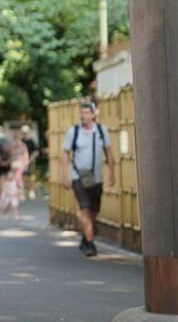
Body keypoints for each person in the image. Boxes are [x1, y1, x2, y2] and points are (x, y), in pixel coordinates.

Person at [61, 102, 115, 257]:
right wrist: (65, 175)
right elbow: (65, 153)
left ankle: (86, 237)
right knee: (85, 209)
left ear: (93, 115)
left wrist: (112, 172)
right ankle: (90, 244)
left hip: (95, 177)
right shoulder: (74, 131)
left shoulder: (101, 131)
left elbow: (109, 152)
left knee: (94, 211)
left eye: (86, 113)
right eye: (81, 113)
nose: (83, 116)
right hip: (79, 175)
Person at [19, 125, 39, 199]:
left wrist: (30, 159)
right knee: (22, 176)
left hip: (30, 161)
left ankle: (31, 190)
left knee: (31, 175)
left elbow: (36, 152)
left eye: (26, 132)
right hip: (22, 161)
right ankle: (23, 190)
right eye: (23, 132)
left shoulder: (31, 141)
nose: (24, 133)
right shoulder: (21, 141)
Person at [0, 126, 12, 199]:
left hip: (0, 161)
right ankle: (8, 193)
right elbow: (11, 151)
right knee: (7, 177)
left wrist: (0, 161)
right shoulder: (7, 140)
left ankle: (1, 194)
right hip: (7, 161)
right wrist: (8, 161)